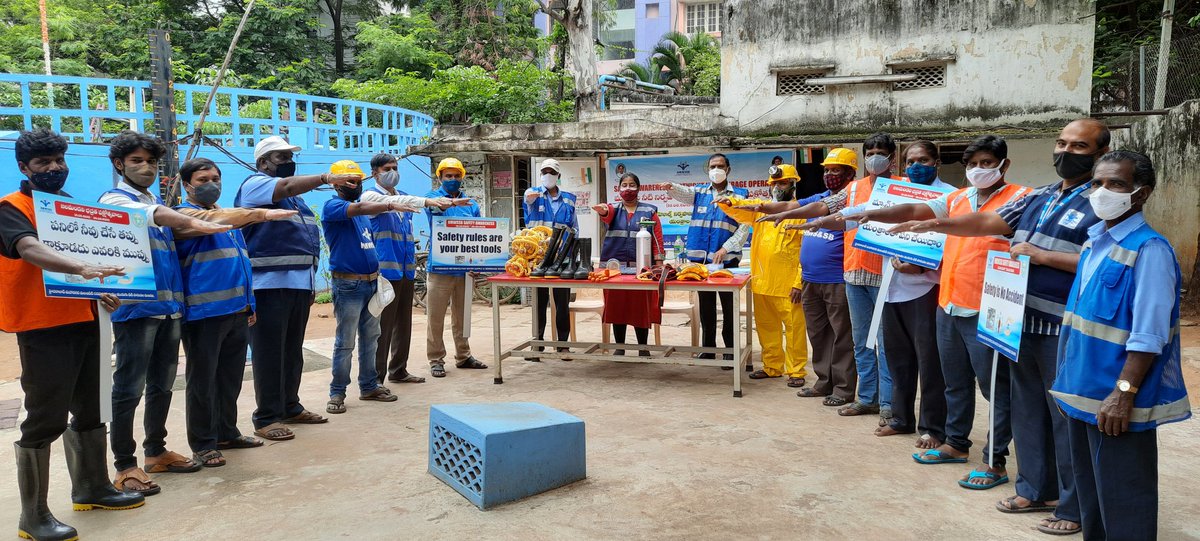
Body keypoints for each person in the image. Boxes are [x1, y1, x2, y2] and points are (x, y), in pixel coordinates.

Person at [892, 119, 1112, 533]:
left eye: (1079, 146)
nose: (1065, 152)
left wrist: (1044, 257)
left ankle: (1071, 506)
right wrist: (932, 225)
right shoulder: (1042, 196)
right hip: (1016, 318)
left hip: (1064, 325)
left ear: (1100, 155)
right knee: (1027, 409)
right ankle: (1033, 488)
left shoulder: (1101, 202)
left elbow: (1107, 260)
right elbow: (987, 223)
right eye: (1061, 142)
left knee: (1062, 416)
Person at [847, 137, 1029, 477]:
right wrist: (870, 212)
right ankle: (956, 442)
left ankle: (996, 460)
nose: (980, 170)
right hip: (949, 301)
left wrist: (931, 225)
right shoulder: (959, 197)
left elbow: (977, 226)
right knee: (954, 380)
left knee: (996, 388)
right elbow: (917, 210)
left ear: (1004, 165)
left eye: (988, 163)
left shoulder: (1021, 198)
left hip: (991, 308)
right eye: (973, 164)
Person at [1, 129, 144, 541]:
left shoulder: (70, 209)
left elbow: (104, 260)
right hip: (43, 326)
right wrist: (80, 268)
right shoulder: (11, 208)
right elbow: (28, 248)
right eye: (43, 163)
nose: (54, 168)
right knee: (45, 416)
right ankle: (34, 516)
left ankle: (93, 487)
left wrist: (106, 290)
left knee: (92, 406)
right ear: (24, 168)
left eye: (59, 160)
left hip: (88, 318)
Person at [1050, 150, 1190, 541]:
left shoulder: (1150, 250)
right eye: (1097, 183)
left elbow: (1149, 332)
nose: (1102, 191)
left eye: (1116, 184)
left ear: (1140, 194)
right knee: (1092, 498)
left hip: (1115, 400)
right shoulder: (1095, 243)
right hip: (1080, 392)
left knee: (1124, 497)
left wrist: (1123, 393)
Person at [100, 131, 232, 495]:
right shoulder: (116, 199)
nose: (146, 168)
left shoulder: (153, 199)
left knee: (161, 384)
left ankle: (155, 452)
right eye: (137, 162)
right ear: (119, 165)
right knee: (128, 388)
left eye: (152, 162)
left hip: (169, 306)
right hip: (136, 309)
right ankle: (124, 465)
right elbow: (157, 216)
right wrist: (198, 222)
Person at [759, 133, 900, 424]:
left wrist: (806, 219)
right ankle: (838, 386)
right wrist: (775, 212)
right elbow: (814, 208)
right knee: (832, 336)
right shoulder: (850, 192)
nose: (830, 175)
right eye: (827, 170)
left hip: (861, 277)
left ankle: (870, 397)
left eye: (836, 170)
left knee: (865, 341)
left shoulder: (900, 189)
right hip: (836, 276)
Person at [173, 158, 301, 467]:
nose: (211, 183)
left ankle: (227, 432)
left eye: (215, 177)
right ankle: (204, 443)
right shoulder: (183, 215)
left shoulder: (227, 219)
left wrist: (250, 304)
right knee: (203, 380)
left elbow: (241, 263)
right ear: (186, 184)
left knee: (229, 377)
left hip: (236, 309)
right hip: (204, 310)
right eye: (203, 179)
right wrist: (259, 213)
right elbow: (210, 221)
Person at [234, 135, 363, 442]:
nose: (288, 163)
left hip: (297, 287)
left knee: (292, 352)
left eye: (290, 157)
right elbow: (287, 186)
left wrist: (309, 287)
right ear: (263, 162)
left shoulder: (297, 202)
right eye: (280, 157)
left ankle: (290, 406)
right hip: (268, 287)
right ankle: (266, 416)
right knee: (268, 353)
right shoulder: (255, 186)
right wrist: (324, 178)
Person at [719, 164, 821, 387]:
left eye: (782, 183)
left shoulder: (801, 214)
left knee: (794, 329)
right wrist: (730, 202)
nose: (777, 187)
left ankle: (796, 371)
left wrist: (798, 283)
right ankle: (772, 366)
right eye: (774, 183)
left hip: (788, 286)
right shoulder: (762, 212)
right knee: (767, 328)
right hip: (763, 282)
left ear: (793, 185)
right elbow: (743, 208)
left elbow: (806, 252)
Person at [361, 153, 458, 384]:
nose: (392, 172)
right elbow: (397, 205)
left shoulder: (403, 196)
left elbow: (407, 204)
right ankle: (375, 379)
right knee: (382, 327)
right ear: (375, 172)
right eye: (387, 169)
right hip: (385, 272)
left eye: (395, 167)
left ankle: (399, 370)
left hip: (406, 270)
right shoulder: (370, 196)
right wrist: (430, 201)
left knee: (403, 323)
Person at [321, 160, 406, 414]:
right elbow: (358, 208)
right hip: (348, 285)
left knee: (371, 338)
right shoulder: (334, 206)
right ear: (336, 184)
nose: (354, 185)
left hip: (370, 283)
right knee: (345, 342)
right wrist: (390, 204)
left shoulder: (362, 219)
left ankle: (368, 385)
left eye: (357, 181)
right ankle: (337, 392)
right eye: (349, 181)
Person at [667, 153, 750, 363]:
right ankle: (708, 348)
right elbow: (683, 193)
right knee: (706, 306)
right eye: (713, 166)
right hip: (700, 263)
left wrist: (726, 247)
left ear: (728, 169)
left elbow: (744, 228)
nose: (716, 169)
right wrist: (670, 187)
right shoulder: (700, 192)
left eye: (720, 166)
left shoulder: (740, 195)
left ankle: (730, 350)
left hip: (727, 262)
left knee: (729, 308)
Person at [424, 157, 486, 378]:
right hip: (440, 269)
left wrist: (479, 262)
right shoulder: (432, 198)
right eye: (447, 176)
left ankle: (463, 355)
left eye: (456, 175)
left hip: (464, 269)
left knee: (462, 316)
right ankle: (436, 359)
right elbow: (436, 208)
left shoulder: (472, 205)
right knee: (436, 317)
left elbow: (479, 234)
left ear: (462, 177)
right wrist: (450, 203)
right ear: (440, 177)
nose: (452, 179)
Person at [591, 173, 663, 355]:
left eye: (632, 185)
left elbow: (658, 239)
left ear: (639, 189)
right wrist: (601, 210)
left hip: (642, 270)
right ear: (619, 189)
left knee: (641, 307)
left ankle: (642, 347)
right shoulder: (613, 209)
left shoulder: (649, 211)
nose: (628, 189)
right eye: (624, 185)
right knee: (617, 307)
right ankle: (620, 347)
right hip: (615, 270)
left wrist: (659, 263)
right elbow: (605, 213)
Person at [523, 158, 579, 359]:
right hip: (538, 258)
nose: (548, 175)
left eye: (552, 172)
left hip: (561, 259)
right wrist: (529, 198)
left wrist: (573, 255)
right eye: (544, 171)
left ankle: (562, 345)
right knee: (539, 303)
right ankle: (537, 344)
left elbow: (575, 228)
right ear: (540, 175)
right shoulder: (533, 194)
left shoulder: (570, 199)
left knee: (562, 303)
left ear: (558, 176)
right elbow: (528, 211)